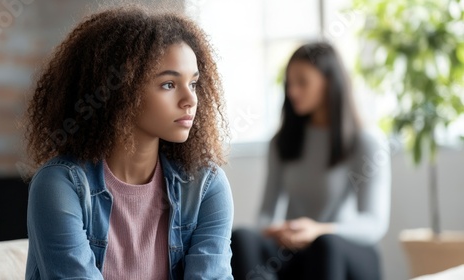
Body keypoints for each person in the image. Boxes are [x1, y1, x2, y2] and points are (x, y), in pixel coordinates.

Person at [23, 5, 234, 280]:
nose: (190, 99)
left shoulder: (207, 186)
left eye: (193, 83)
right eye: (169, 84)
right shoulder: (60, 185)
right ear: (120, 93)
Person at [231, 42, 391, 280]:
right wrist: (278, 231)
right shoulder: (282, 141)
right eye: (289, 83)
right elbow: (266, 213)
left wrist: (319, 230)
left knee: (325, 245)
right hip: (294, 252)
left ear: (329, 82)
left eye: (302, 82)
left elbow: (373, 223)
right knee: (242, 237)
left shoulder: (366, 141)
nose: (292, 91)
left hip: (344, 251)